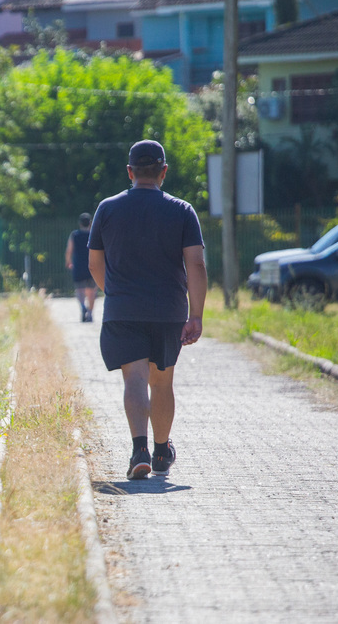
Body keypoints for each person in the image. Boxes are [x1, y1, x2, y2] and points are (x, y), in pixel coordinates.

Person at [87, 139, 207, 480]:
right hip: (168, 311)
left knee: (135, 378)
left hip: (123, 310)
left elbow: (94, 262)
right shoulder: (182, 210)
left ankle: (139, 449)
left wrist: (115, 293)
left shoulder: (107, 208)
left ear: (130, 172)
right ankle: (161, 450)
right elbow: (196, 265)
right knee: (162, 382)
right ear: (163, 172)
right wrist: (195, 314)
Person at [65, 212, 97, 322]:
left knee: (80, 290)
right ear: (90, 223)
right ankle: (90, 313)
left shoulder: (75, 235)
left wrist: (68, 262)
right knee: (92, 291)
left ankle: (83, 307)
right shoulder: (93, 234)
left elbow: (69, 250)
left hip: (78, 266)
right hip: (92, 266)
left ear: (80, 223)